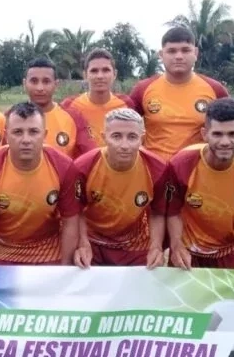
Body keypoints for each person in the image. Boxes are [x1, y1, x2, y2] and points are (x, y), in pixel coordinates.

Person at [160, 98, 234, 275]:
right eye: (217, 134)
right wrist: (176, 245)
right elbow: (172, 211)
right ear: (204, 134)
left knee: (232, 303)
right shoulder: (181, 164)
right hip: (189, 253)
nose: (225, 142)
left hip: (231, 251)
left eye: (232, 134)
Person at [0, 101, 80, 265]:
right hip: (1, 244)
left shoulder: (64, 167)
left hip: (46, 245)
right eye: (18, 132)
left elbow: (71, 221)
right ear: (6, 135)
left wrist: (65, 270)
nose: (26, 140)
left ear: (45, 135)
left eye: (33, 132)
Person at [71, 108, 167, 268]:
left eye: (132, 137)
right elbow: (76, 211)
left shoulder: (157, 168)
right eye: (116, 136)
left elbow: (157, 212)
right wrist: (82, 242)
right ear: (104, 137)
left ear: (142, 139)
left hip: (134, 241)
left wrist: (156, 246)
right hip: (92, 239)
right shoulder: (83, 167)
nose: (124, 145)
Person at [130, 26, 229, 160]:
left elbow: (230, 131)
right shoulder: (143, 89)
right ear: (161, 55)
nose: (178, 56)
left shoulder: (215, 89)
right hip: (155, 173)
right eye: (171, 51)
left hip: (198, 172)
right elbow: (124, 128)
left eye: (185, 50)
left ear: (195, 53)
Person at [23, 57, 95, 159]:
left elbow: (90, 158)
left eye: (46, 81)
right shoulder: (11, 118)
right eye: (34, 81)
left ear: (56, 85)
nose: (40, 88)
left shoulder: (74, 118)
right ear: (24, 84)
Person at [61, 48, 135, 148]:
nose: (100, 76)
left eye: (106, 70)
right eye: (94, 71)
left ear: (114, 74)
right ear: (85, 75)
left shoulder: (126, 105)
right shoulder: (69, 105)